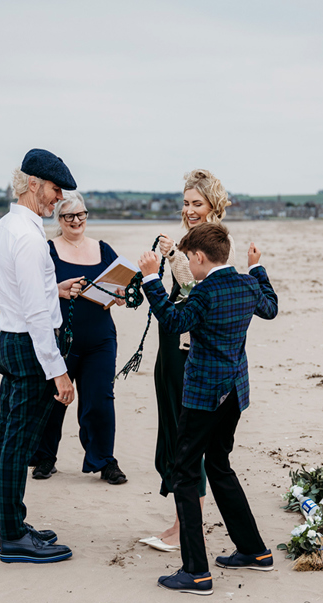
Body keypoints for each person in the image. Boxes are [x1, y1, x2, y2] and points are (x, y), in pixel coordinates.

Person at [138, 222, 278, 595]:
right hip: (234, 392)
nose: (187, 265)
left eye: (188, 259)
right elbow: (271, 308)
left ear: (199, 257)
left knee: (184, 470)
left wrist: (152, 279)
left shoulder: (205, 293)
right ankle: (253, 550)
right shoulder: (247, 284)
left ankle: (196, 572)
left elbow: (172, 320)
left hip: (203, 395)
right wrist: (257, 268)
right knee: (218, 464)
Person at [0, 148, 78, 564]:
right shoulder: (25, 234)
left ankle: (11, 525)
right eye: (55, 189)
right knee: (17, 444)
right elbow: (36, 312)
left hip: (14, 338)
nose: (58, 198)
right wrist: (57, 370)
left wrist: (53, 290)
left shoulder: (8, 226)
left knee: (8, 438)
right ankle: (11, 536)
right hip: (28, 345)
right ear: (33, 184)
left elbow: (28, 296)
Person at [144, 169, 237, 551]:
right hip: (171, 344)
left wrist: (173, 257)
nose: (189, 210)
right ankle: (182, 520)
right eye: (185, 203)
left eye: (197, 203)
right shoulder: (188, 241)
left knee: (187, 437)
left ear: (213, 205)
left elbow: (196, 289)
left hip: (189, 348)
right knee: (173, 429)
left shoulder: (213, 244)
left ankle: (188, 526)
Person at [28, 191, 129, 485]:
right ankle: (45, 457)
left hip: (101, 338)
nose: (76, 221)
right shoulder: (47, 249)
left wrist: (119, 295)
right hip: (62, 338)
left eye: (81, 214)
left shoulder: (103, 249)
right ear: (59, 219)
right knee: (55, 399)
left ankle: (104, 461)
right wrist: (58, 287)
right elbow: (36, 291)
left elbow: (119, 288)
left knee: (100, 399)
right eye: (69, 216)